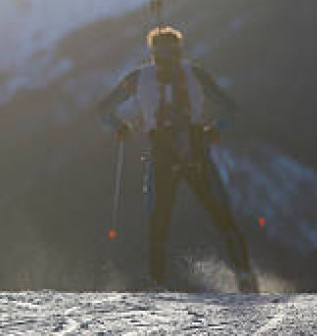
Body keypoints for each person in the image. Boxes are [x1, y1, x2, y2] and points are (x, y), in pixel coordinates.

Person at [97, 26, 258, 293]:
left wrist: (120, 128)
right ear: (180, 50)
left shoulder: (138, 78)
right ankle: (244, 276)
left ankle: (157, 283)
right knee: (222, 216)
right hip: (196, 151)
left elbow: (104, 109)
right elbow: (231, 109)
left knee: (158, 223)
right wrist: (215, 130)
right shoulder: (195, 74)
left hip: (161, 154)